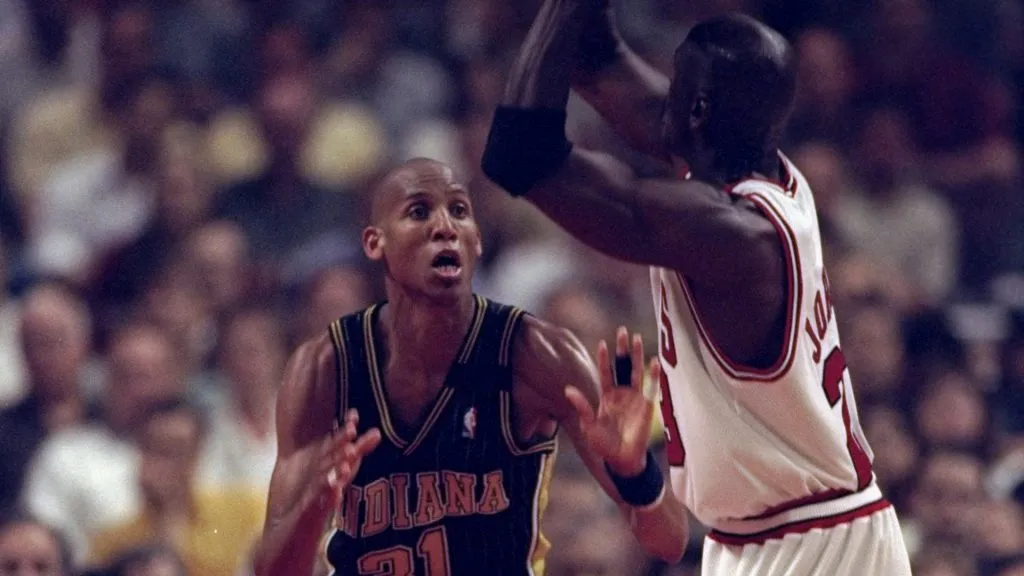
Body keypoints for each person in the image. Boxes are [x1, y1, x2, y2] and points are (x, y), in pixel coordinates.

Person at [480, 2, 913, 575]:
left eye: (675, 78)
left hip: (813, 547)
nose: (659, 85)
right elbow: (595, 56)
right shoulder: (757, 165)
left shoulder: (728, 233)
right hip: (780, 532)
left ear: (698, 108)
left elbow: (518, 154)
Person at [254, 157, 686, 576]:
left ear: (477, 240)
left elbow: (669, 541)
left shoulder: (536, 355)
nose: (445, 227)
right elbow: (272, 571)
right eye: (419, 211)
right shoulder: (326, 367)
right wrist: (314, 502)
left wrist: (636, 473)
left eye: (459, 211)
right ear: (375, 243)